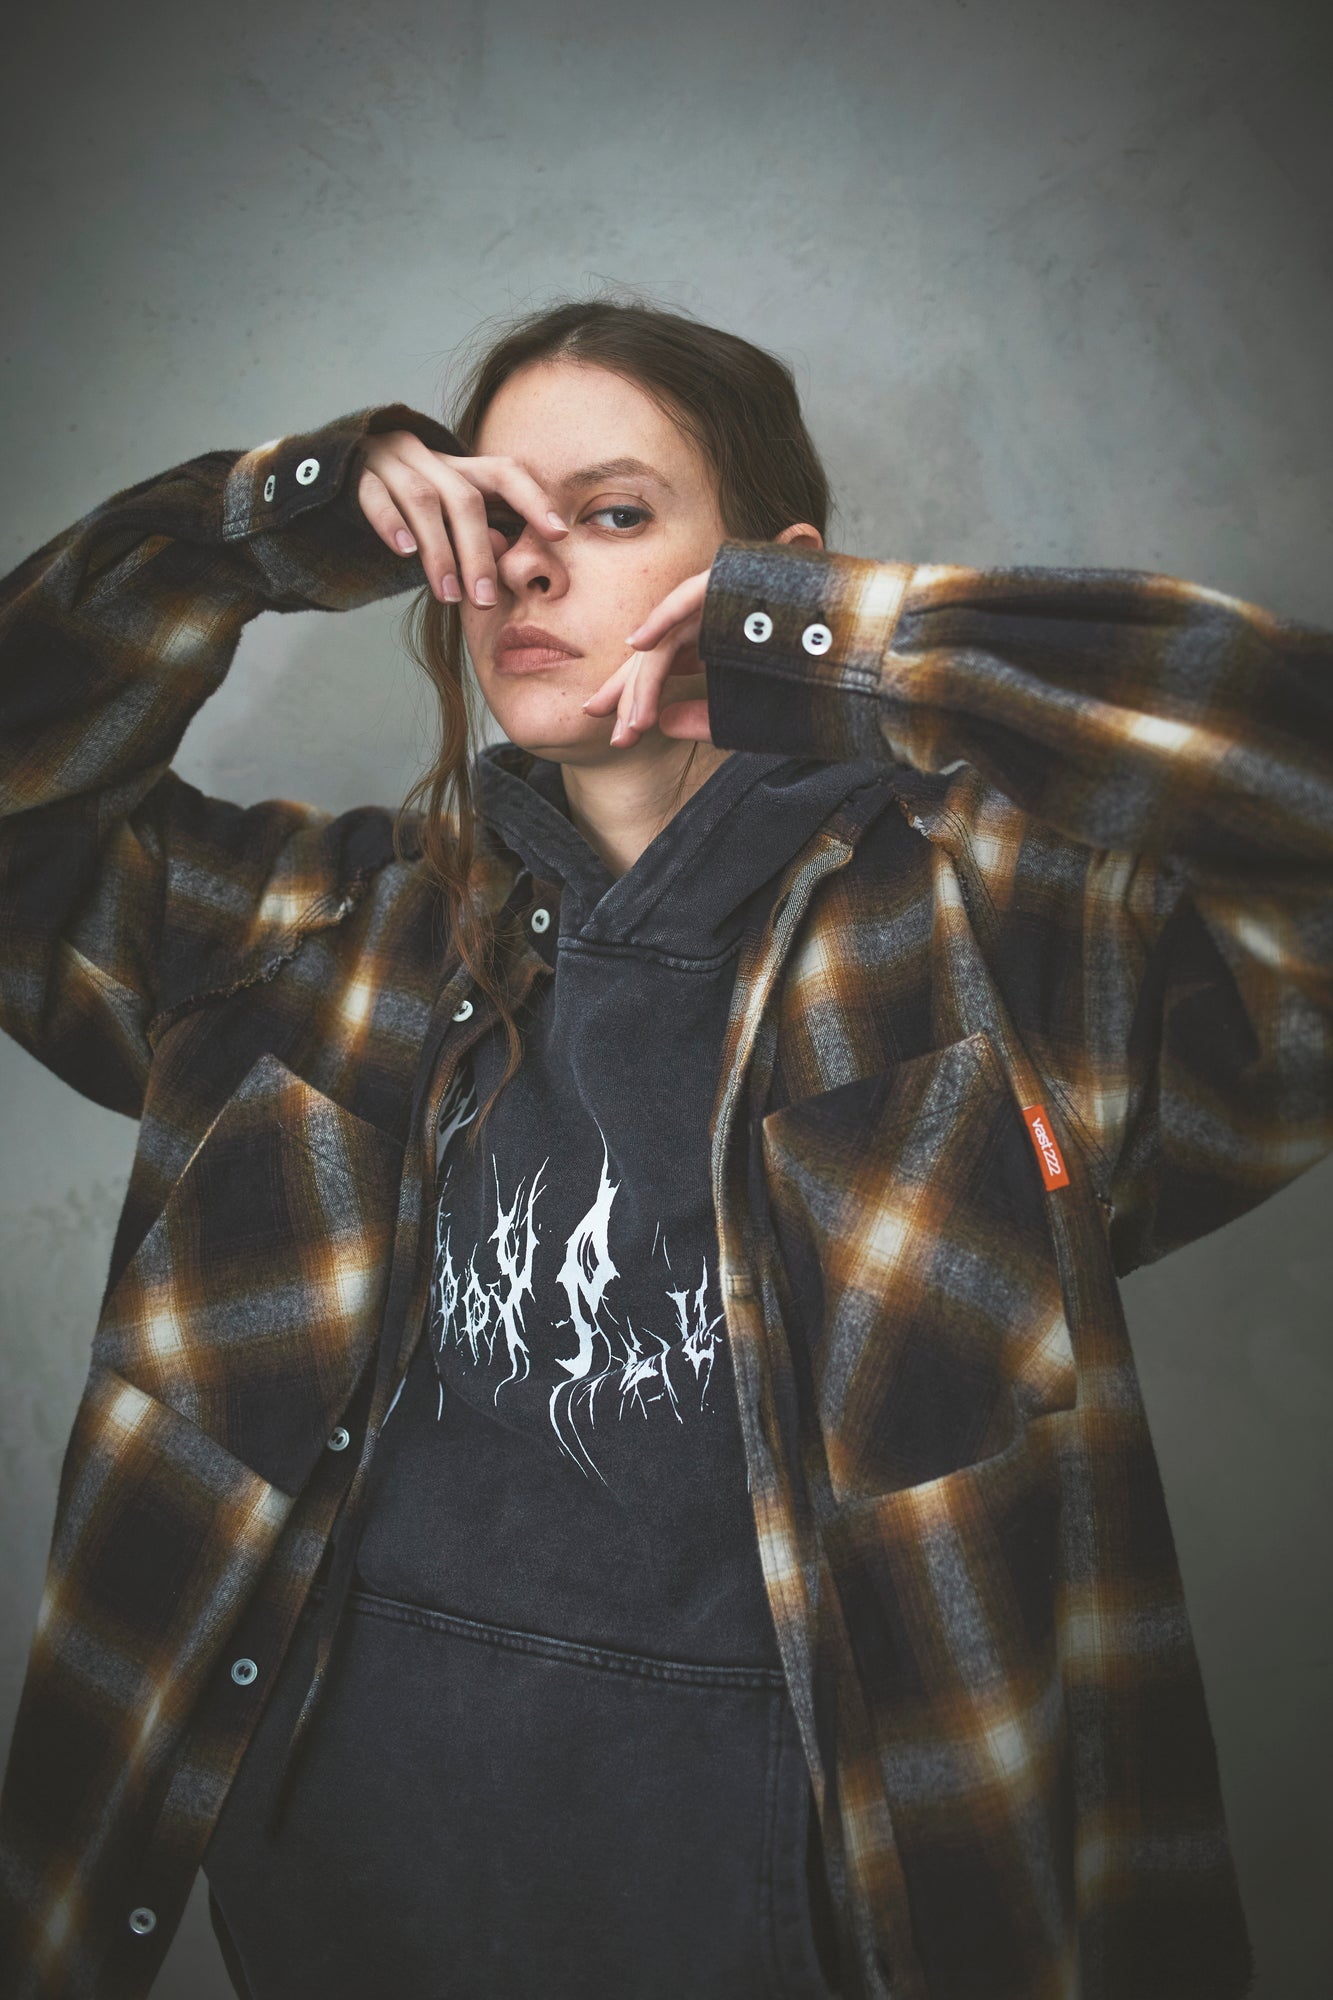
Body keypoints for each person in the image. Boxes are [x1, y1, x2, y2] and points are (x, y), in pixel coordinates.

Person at [0, 294, 1328, 2000]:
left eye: (612, 512)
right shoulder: (310, 937)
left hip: (820, 1918)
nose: (528, 567)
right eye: (491, 519)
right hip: (341, 1897)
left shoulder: (998, 944)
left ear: (774, 568)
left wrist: (839, 646)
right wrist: (268, 525)